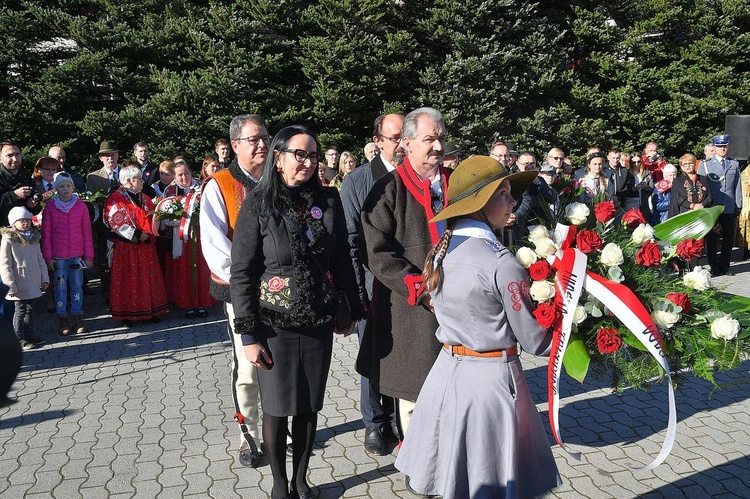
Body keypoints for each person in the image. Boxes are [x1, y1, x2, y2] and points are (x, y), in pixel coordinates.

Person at [395, 155, 560, 498]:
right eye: (503, 193)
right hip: (490, 386)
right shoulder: (501, 264)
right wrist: (577, 321)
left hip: (446, 376)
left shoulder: (440, 252)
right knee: (489, 479)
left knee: (456, 480)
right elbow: (535, 341)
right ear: (480, 204)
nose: (513, 200)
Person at [230, 125, 361, 499]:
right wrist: (249, 336)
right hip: (274, 322)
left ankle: (301, 479)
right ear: (278, 156)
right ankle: (278, 483)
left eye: (313, 155)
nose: (307, 161)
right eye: (299, 154)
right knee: (276, 406)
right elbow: (242, 273)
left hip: (318, 318)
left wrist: (350, 308)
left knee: (308, 404)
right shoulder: (259, 202)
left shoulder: (328, 199)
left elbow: (341, 257)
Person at [357, 107, 451, 443]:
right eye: (430, 139)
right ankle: (418, 467)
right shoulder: (387, 189)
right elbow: (377, 252)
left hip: (460, 306)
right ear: (407, 143)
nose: (438, 146)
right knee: (415, 394)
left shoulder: (458, 184)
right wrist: (422, 289)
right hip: (411, 310)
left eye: (441, 137)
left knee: (454, 390)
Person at [200, 114, 269, 468]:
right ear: (235, 145)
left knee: (282, 363)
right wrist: (251, 281)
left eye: (264, 137)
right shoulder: (220, 185)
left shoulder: (280, 178)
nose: (261, 144)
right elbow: (214, 248)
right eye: (253, 139)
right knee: (247, 366)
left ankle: (281, 430)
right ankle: (250, 436)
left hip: (281, 291)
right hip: (241, 292)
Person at [341, 113, 403, 455]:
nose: (399, 144)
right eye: (393, 137)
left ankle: (400, 418)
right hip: (372, 283)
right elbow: (351, 239)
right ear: (377, 140)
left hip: (408, 283)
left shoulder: (415, 177)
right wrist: (357, 294)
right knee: (372, 354)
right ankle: (374, 422)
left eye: (402, 137)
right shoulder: (357, 181)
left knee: (405, 352)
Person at [104, 166, 169, 325]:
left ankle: (150, 311)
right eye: (138, 179)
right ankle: (127, 314)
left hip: (146, 246)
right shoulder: (116, 198)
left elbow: (152, 217)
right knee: (128, 280)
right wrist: (137, 235)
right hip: (127, 247)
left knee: (148, 278)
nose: (141, 181)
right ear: (128, 181)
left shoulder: (145, 197)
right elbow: (114, 222)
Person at [41, 172, 94, 336]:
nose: (65, 189)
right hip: (59, 256)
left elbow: (87, 233)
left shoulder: (81, 206)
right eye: (62, 186)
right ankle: (62, 318)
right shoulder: (50, 207)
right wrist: (48, 257)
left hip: (77, 255)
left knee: (77, 286)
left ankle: (77, 316)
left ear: (73, 187)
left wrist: (89, 256)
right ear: (56, 188)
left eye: (68, 186)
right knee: (60, 288)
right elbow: (46, 234)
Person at [162, 162, 216, 318]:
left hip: (201, 235)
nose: (184, 177)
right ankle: (187, 304)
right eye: (180, 174)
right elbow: (165, 218)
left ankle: (202, 302)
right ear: (174, 176)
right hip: (181, 237)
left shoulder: (202, 186)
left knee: (202, 269)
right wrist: (181, 221)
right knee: (183, 270)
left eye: (186, 173)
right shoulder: (170, 190)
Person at [1, 207, 49, 350]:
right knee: (20, 311)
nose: (26, 223)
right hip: (19, 282)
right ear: (13, 223)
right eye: (22, 221)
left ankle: (29, 334)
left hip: (33, 281)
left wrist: (44, 278)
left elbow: (40, 259)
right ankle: (18, 338)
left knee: (29, 309)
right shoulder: (8, 240)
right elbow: (5, 265)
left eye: (28, 220)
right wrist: (10, 286)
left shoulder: (33, 238)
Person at [699, 134, 743, 276]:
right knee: (712, 239)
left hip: (729, 206)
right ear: (714, 147)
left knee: (728, 238)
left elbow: (737, 186)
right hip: (712, 207)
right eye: (719, 146)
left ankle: (725, 267)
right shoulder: (705, 165)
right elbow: (701, 187)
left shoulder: (734, 163)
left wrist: (738, 204)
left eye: (724, 146)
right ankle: (714, 267)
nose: (722, 149)